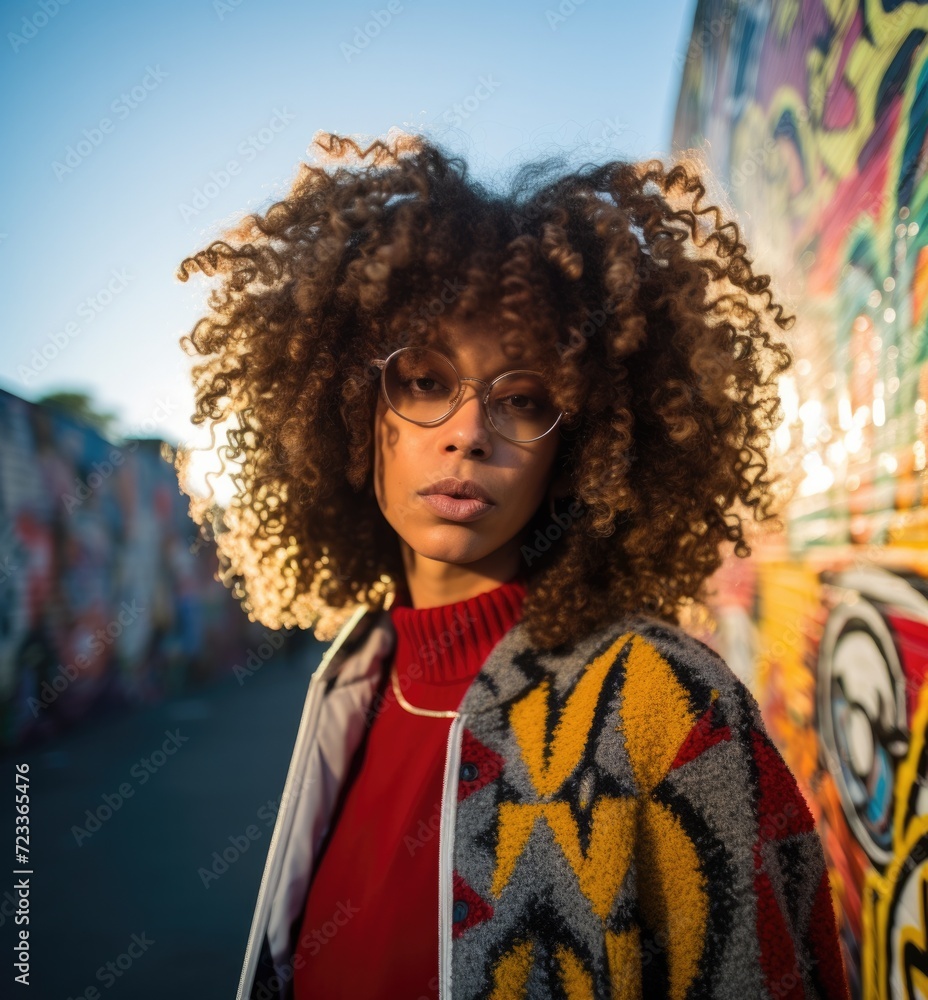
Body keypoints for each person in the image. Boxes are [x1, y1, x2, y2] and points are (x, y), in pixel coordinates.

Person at [175, 130, 851, 999]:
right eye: (421, 380)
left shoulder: (666, 707)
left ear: (581, 444)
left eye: (524, 399)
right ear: (348, 411)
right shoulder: (357, 676)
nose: (467, 431)